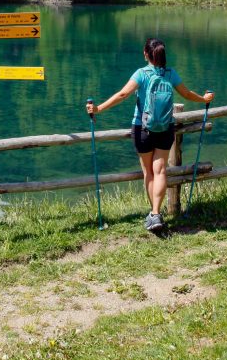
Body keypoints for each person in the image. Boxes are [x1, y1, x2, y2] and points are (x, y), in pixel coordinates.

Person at [86, 37, 213, 232]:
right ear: (163, 55)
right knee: (160, 169)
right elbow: (187, 94)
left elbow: (122, 95)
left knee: (149, 172)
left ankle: (153, 216)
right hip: (165, 128)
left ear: (146, 54)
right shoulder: (171, 74)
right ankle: (156, 213)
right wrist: (204, 99)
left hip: (142, 128)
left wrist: (98, 108)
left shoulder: (141, 74)